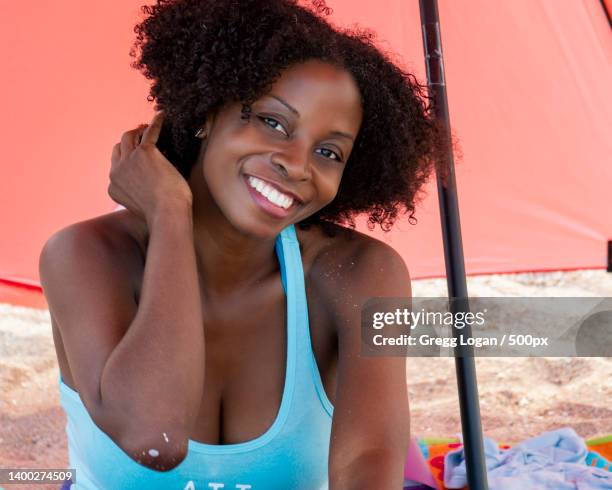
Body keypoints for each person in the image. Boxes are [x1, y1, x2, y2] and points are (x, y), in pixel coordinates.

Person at [39, 0, 446, 488]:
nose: (296, 165)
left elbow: (369, 459)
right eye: (273, 122)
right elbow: (156, 437)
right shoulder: (85, 255)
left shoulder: (359, 274)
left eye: (328, 152)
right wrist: (169, 214)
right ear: (208, 112)